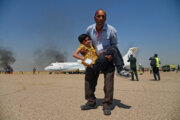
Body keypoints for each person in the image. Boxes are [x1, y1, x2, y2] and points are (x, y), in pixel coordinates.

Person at [79, 9, 123, 115]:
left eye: (103, 16)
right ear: (94, 17)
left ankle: (107, 104)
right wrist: (84, 51)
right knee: (89, 79)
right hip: (95, 59)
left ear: (106, 18)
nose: (101, 18)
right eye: (99, 16)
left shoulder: (111, 30)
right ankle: (91, 102)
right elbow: (87, 43)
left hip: (107, 59)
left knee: (108, 82)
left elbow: (114, 46)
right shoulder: (89, 29)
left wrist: (111, 56)